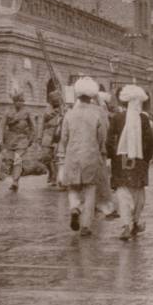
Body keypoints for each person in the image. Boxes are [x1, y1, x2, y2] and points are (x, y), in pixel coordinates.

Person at [57, 77, 107, 237]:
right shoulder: (96, 114)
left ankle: (74, 208)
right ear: (92, 96)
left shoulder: (69, 114)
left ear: (78, 95)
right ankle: (85, 225)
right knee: (89, 189)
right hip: (91, 155)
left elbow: (63, 137)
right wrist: (98, 148)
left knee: (72, 187)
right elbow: (102, 136)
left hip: (72, 154)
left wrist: (64, 152)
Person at [108, 85, 153, 240]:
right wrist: (146, 159)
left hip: (121, 160)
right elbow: (151, 141)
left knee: (123, 192)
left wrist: (113, 157)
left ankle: (126, 225)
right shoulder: (143, 119)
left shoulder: (117, 118)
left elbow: (109, 141)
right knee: (138, 193)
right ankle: (135, 222)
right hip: (139, 160)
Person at [0, 91, 35, 191]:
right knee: (10, 160)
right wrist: (0, 138)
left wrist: (31, 138)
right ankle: (12, 178)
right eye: (18, 101)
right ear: (14, 102)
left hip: (22, 139)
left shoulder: (27, 112)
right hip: (10, 139)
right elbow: (2, 125)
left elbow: (33, 126)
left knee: (18, 159)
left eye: (22, 101)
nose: (20, 103)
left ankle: (15, 182)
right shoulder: (8, 112)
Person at [95, 90, 119, 218]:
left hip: (86, 151)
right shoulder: (101, 113)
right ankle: (107, 208)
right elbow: (104, 133)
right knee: (102, 180)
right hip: (100, 150)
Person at [39, 89, 65, 189]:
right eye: (53, 99)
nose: (55, 101)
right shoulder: (47, 109)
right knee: (45, 157)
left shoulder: (63, 109)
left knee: (56, 157)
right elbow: (42, 122)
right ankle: (50, 171)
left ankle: (55, 176)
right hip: (48, 134)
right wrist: (39, 136)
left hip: (58, 134)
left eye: (57, 99)